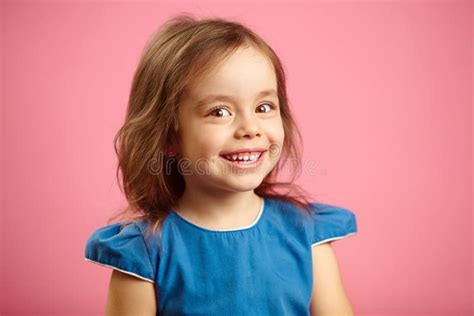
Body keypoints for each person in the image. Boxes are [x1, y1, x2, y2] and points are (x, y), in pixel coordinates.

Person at [84, 14, 358, 316]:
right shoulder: (145, 252)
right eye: (220, 111)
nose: (250, 128)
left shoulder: (306, 234)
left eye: (263, 107)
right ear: (168, 136)